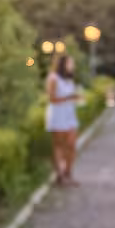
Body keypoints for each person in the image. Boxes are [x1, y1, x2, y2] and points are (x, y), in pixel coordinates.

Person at [45, 53, 82, 186]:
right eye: (70, 63)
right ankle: (59, 175)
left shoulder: (69, 79)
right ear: (63, 64)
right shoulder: (53, 78)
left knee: (72, 145)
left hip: (69, 114)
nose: (72, 66)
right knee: (59, 145)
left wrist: (76, 98)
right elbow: (52, 99)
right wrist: (70, 98)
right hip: (58, 114)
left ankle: (68, 172)